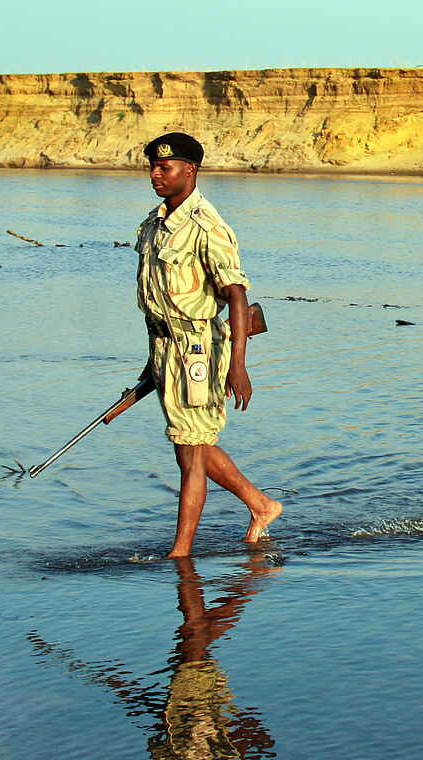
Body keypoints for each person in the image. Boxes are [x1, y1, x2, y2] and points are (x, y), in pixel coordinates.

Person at [134, 132, 282, 557]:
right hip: (165, 348)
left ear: (190, 171)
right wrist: (152, 362)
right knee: (190, 441)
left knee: (190, 456)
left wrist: (239, 364)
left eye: (166, 167)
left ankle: (180, 554)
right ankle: (261, 505)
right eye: (153, 167)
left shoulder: (207, 227)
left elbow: (235, 295)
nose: (155, 174)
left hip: (198, 351)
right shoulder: (155, 223)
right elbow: (159, 301)